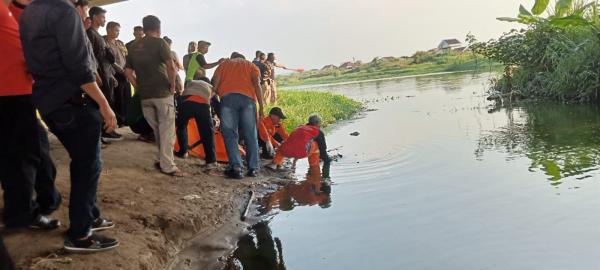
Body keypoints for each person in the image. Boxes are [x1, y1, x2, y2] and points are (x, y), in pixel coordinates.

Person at [20, 0, 119, 252]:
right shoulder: (63, 11)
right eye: (82, 5)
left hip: (48, 101)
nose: (84, 10)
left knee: (84, 161)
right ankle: (81, 234)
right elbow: (80, 70)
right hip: (73, 102)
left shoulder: (29, 12)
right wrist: (105, 105)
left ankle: (91, 216)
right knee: (87, 166)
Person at [0, 0, 62, 231]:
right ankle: (21, 215)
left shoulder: (11, 10)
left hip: (19, 94)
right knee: (23, 157)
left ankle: (34, 206)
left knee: (33, 152)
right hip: (10, 96)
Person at [125, 15, 184, 177]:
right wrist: (172, 85)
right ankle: (168, 166)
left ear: (144, 28)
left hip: (145, 95)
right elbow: (171, 66)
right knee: (166, 130)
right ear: (158, 28)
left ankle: (162, 160)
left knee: (158, 130)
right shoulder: (160, 43)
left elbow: (128, 72)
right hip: (161, 92)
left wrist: (138, 86)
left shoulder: (134, 46)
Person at [212, 52, 264, 179]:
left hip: (228, 99)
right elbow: (257, 85)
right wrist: (262, 107)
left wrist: (219, 95)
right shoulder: (251, 66)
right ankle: (253, 169)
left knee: (230, 134)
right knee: (251, 134)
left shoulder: (224, 65)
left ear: (232, 58)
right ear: (243, 58)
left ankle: (236, 167)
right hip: (248, 101)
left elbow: (215, 86)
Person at [87, 6, 121, 141]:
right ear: (94, 17)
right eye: (102, 17)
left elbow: (106, 59)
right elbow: (91, 56)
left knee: (108, 100)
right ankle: (99, 134)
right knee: (98, 104)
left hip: (106, 73)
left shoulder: (99, 36)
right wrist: (95, 74)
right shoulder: (90, 34)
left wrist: (111, 75)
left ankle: (107, 130)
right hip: (99, 74)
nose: (104, 20)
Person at [175, 78, 217, 170]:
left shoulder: (192, 82)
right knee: (207, 133)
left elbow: (182, 94)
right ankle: (211, 161)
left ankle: (183, 152)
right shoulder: (211, 87)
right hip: (203, 105)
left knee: (181, 127)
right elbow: (215, 102)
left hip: (187, 102)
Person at [267, 115, 332, 170]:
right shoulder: (318, 131)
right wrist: (328, 160)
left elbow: (294, 142)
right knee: (317, 145)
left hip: (287, 151)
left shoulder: (299, 127)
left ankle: (275, 163)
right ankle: (314, 168)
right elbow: (323, 151)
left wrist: (294, 162)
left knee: (283, 147)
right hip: (302, 152)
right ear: (318, 124)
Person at [105, 21, 131, 126]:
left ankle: (127, 119)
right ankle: (120, 120)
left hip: (125, 73)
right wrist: (122, 71)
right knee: (118, 97)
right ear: (109, 30)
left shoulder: (120, 43)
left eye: (118, 31)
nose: (118, 33)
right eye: (116, 30)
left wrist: (127, 70)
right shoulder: (105, 43)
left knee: (127, 96)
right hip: (115, 73)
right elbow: (110, 61)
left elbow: (126, 57)